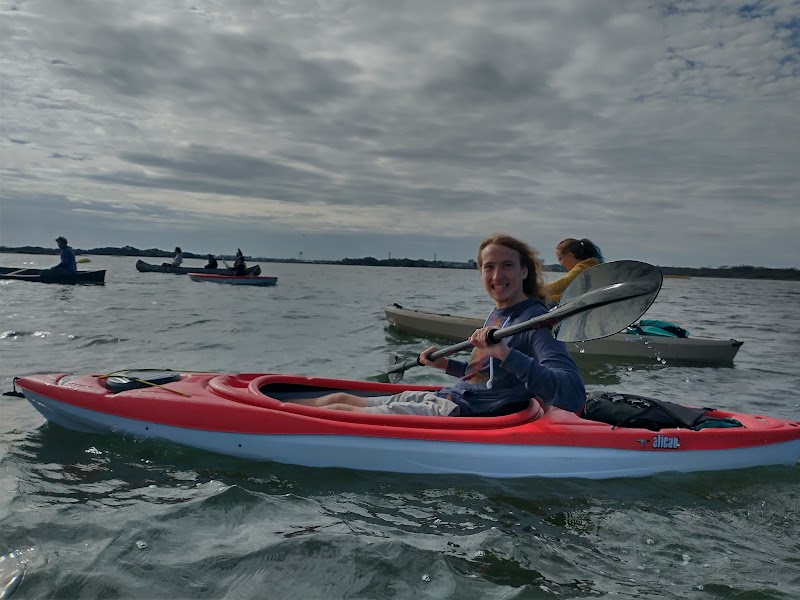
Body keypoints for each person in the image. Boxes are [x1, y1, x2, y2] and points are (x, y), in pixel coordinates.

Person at [293, 233, 586, 417]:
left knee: (339, 409)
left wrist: (505, 353)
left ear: (524, 271)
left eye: (507, 265)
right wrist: (447, 366)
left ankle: (270, 421)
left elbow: (572, 394)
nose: (497, 275)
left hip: (462, 411)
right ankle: (262, 407)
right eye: (489, 267)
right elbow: (488, 378)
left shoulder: (535, 323)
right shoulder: (499, 313)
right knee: (340, 398)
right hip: (451, 397)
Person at [544, 238, 604, 303]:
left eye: (560, 259)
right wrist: (545, 297)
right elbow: (564, 296)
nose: (561, 263)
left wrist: (535, 290)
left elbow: (561, 285)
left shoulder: (582, 268)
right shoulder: (590, 265)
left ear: (570, 255)